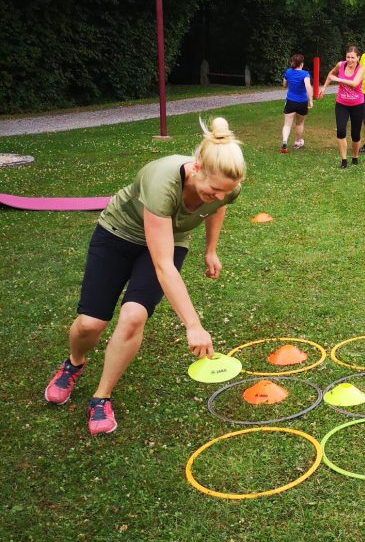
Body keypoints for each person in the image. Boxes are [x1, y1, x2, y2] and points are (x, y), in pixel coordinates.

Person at [44, 117, 246, 435]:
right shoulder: (163, 181)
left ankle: (101, 396)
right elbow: (163, 265)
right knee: (90, 324)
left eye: (226, 191)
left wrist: (211, 249)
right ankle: (74, 362)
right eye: (213, 189)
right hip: (119, 234)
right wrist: (193, 325)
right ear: (195, 169)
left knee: (134, 316)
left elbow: (216, 208)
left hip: (172, 237)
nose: (220, 196)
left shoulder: (226, 188)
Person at [320, 46, 365, 169]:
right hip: (341, 103)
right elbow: (331, 74)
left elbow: (355, 83)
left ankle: (355, 157)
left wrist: (338, 79)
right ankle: (344, 160)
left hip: (357, 104)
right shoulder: (340, 65)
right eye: (348, 57)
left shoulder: (360, 69)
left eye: (353, 57)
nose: (350, 60)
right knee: (340, 131)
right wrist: (324, 87)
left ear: (358, 58)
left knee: (355, 134)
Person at [280, 53, 313, 154]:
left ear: (292, 63)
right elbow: (308, 87)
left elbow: (284, 85)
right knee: (299, 123)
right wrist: (310, 100)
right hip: (302, 103)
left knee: (287, 124)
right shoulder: (305, 74)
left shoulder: (288, 72)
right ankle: (298, 142)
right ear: (302, 64)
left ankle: (284, 142)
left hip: (290, 102)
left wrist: (287, 83)